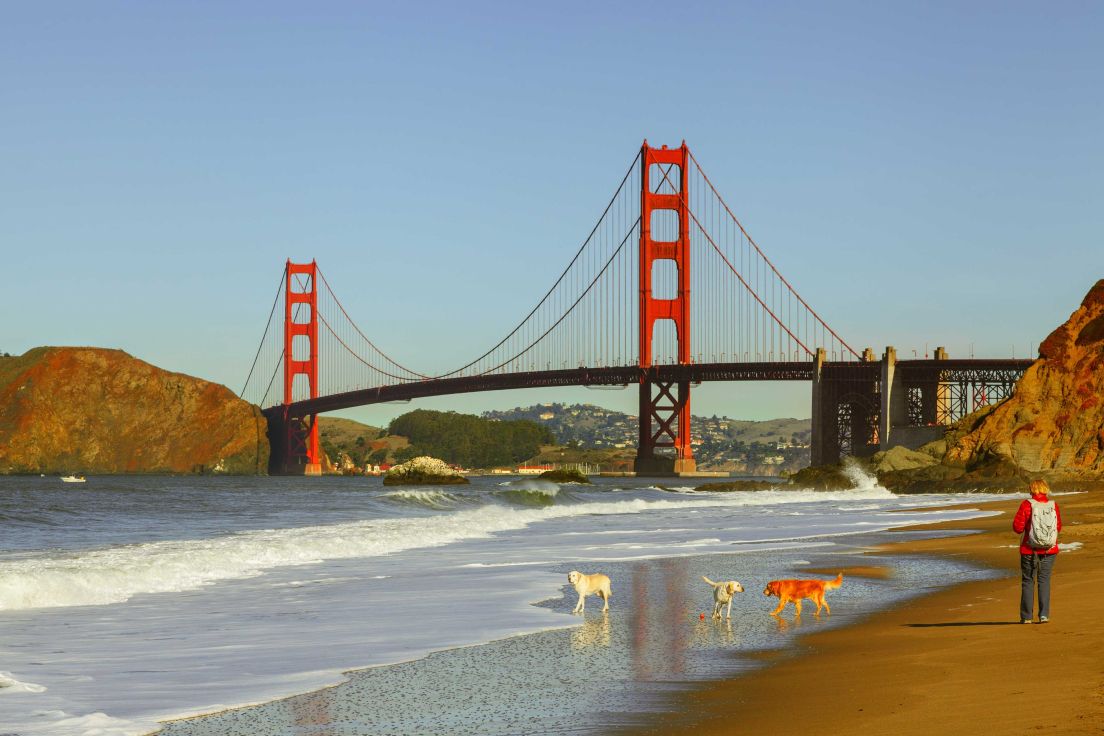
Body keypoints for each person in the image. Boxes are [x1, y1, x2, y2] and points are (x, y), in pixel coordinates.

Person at [1012, 479, 1062, 623]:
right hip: (1050, 549)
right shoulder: (1053, 505)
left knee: (1028, 581)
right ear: (1046, 489)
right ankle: (1044, 615)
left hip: (1029, 549)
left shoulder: (1027, 504)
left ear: (1032, 490)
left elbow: (1018, 528)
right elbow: (1057, 527)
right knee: (1044, 581)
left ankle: (1027, 617)